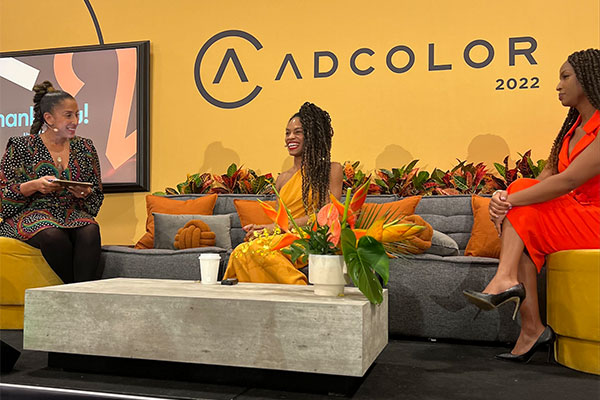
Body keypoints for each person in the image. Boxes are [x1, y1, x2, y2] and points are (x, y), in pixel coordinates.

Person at [463, 49, 600, 363]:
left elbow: (567, 182)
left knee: (521, 202)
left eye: (565, 77)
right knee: (523, 210)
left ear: (589, 80)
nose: (558, 85)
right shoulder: (571, 131)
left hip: (595, 218)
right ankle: (530, 325)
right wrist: (502, 198)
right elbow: (545, 179)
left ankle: (509, 288)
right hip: (575, 215)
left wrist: (508, 199)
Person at [223, 102, 343, 284]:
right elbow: (279, 222)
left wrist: (275, 229)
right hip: (284, 237)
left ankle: (298, 290)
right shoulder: (282, 179)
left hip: (314, 238)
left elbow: (328, 216)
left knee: (253, 251)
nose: (290, 137)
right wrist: (261, 231)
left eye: (298, 132)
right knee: (242, 250)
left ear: (313, 135)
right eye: (287, 132)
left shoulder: (331, 170)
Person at [0, 81, 104, 283]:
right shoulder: (22, 146)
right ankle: (77, 293)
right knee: (52, 235)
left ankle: (78, 296)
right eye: (68, 115)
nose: (75, 120)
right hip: (30, 214)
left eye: (77, 114)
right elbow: (4, 195)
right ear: (49, 118)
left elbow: (96, 197)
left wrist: (85, 193)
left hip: (71, 213)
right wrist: (34, 185)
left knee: (90, 229)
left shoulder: (85, 147)